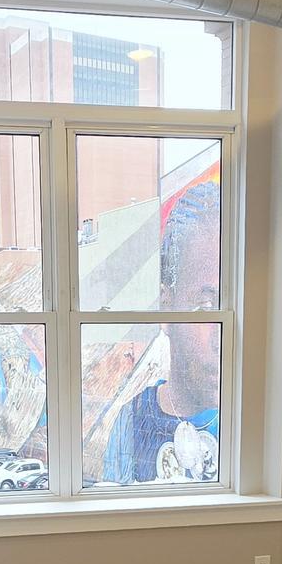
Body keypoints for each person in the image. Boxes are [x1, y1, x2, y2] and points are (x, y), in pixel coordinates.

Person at [101, 173, 221, 484]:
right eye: (207, 307)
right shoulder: (131, 422)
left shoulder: (259, 416)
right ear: (167, 308)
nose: (223, 339)